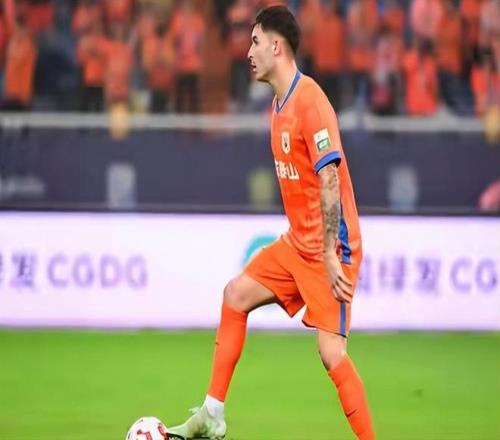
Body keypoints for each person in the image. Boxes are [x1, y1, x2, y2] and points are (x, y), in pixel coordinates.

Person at [167, 5, 375, 440]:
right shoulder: (279, 107)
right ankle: (212, 413)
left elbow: (330, 177)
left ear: (277, 46)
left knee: (331, 352)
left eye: (255, 41)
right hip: (297, 244)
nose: (248, 52)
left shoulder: (310, 101)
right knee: (235, 295)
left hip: (328, 249)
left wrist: (331, 255)